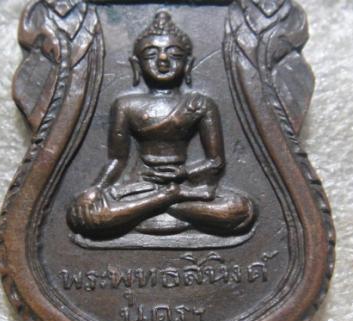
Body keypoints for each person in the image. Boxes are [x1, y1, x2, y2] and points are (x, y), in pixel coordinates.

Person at [67, 11, 255, 238]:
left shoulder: (200, 104)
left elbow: (215, 161)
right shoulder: (126, 105)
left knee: (240, 209)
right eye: (151, 54)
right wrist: (96, 189)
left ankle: (160, 204)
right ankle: (164, 200)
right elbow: (117, 160)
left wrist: (183, 172)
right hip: (139, 188)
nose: (163, 60)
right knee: (83, 214)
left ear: (188, 64)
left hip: (185, 187)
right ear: (136, 64)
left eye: (174, 54)